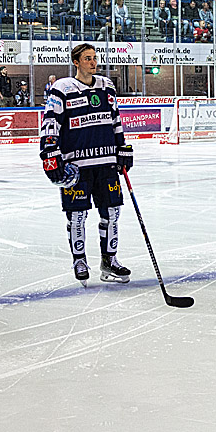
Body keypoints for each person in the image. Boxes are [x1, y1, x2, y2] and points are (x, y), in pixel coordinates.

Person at [39, 43, 133, 286]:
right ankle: (79, 259)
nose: (93, 62)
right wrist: (50, 153)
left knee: (112, 212)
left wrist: (122, 147)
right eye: (88, 58)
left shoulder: (106, 86)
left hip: (106, 163)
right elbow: (51, 123)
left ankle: (109, 260)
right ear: (76, 62)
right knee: (78, 215)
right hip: (76, 166)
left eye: (95, 58)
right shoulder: (62, 88)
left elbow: (115, 119)